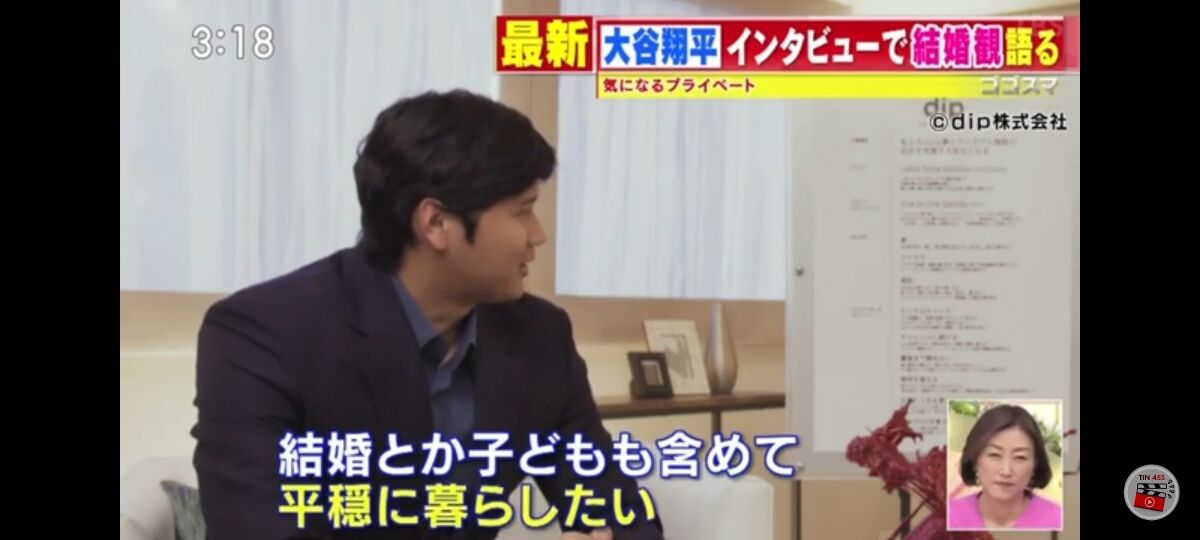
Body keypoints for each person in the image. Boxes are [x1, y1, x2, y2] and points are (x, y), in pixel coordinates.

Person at [192, 89, 664, 540]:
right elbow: (258, 529)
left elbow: (622, 512)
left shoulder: (539, 336)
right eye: (523, 211)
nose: (538, 235)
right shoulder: (263, 336)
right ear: (436, 223)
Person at [947, 404, 1063, 530]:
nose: (1006, 471)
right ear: (975, 460)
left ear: (1035, 465)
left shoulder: (1059, 520)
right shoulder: (947, 516)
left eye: (1020, 457)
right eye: (994, 455)